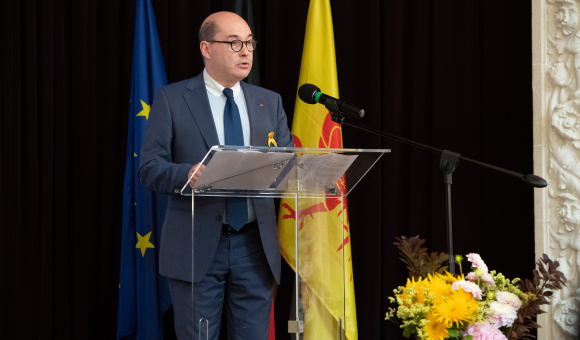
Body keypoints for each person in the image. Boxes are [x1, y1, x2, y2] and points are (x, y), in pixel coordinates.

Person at [138, 11, 293, 340]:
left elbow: (288, 164)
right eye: (235, 43)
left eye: (249, 43)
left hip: (254, 246)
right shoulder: (173, 99)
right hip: (196, 246)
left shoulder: (269, 101)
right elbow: (148, 168)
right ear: (206, 49)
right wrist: (187, 174)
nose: (246, 51)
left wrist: (304, 172)